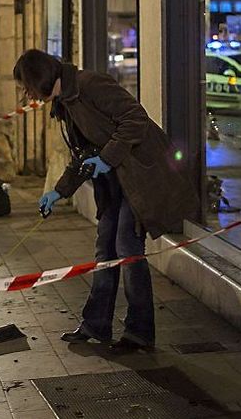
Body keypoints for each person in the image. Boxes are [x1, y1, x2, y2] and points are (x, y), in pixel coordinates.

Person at [14, 49, 199, 351]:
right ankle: (97, 324)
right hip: (114, 181)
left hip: (139, 175)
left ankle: (140, 332)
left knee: (127, 247)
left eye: (27, 87)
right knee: (105, 248)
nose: (28, 95)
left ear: (40, 78)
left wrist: (108, 157)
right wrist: (59, 191)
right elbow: (82, 156)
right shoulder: (66, 103)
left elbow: (136, 119)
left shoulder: (91, 85)